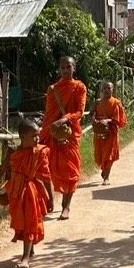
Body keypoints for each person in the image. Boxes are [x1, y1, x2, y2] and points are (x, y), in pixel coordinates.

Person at [40, 56, 87, 220]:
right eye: (62, 68)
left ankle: (66, 206)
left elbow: (80, 112)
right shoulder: (53, 89)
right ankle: (50, 200)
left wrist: (65, 119)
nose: (66, 70)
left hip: (70, 133)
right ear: (59, 69)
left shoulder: (79, 87)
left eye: (69, 67)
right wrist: (47, 131)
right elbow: (49, 114)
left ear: (74, 68)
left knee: (71, 169)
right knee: (48, 168)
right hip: (52, 133)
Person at [6, 119, 53, 268]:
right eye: (33, 136)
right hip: (16, 192)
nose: (37, 139)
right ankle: (30, 248)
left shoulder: (39, 152)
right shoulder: (13, 152)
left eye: (38, 135)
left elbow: (46, 176)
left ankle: (25, 258)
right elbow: (4, 169)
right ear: (22, 137)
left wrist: (50, 198)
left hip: (31, 192)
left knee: (29, 222)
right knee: (21, 220)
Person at [92, 81, 127, 185]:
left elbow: (118, 119)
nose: (107, 90)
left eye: (109, 88)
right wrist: (94, 120)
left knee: (109, 155)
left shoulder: (116, 102)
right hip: (99, 132)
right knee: (100, 154)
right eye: (105, 88)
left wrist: (107, 121)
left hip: (111, 133)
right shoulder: (97, 102)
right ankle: (104, 169)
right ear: (101, 90)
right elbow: (92, 114)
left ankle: (106, 177)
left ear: (112, 89)